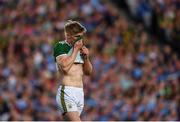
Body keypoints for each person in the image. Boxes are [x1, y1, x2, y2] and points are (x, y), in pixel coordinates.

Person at [53, 20, 93, 121]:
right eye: (77, 36)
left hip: (79, 93)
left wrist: (86, 58)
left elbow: (88, 72)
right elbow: (65, 68)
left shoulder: (81, 49)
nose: (80, 39)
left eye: (81, 36)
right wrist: (75, 50)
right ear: (68, 35)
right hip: (67, 92)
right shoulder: (61, 46)